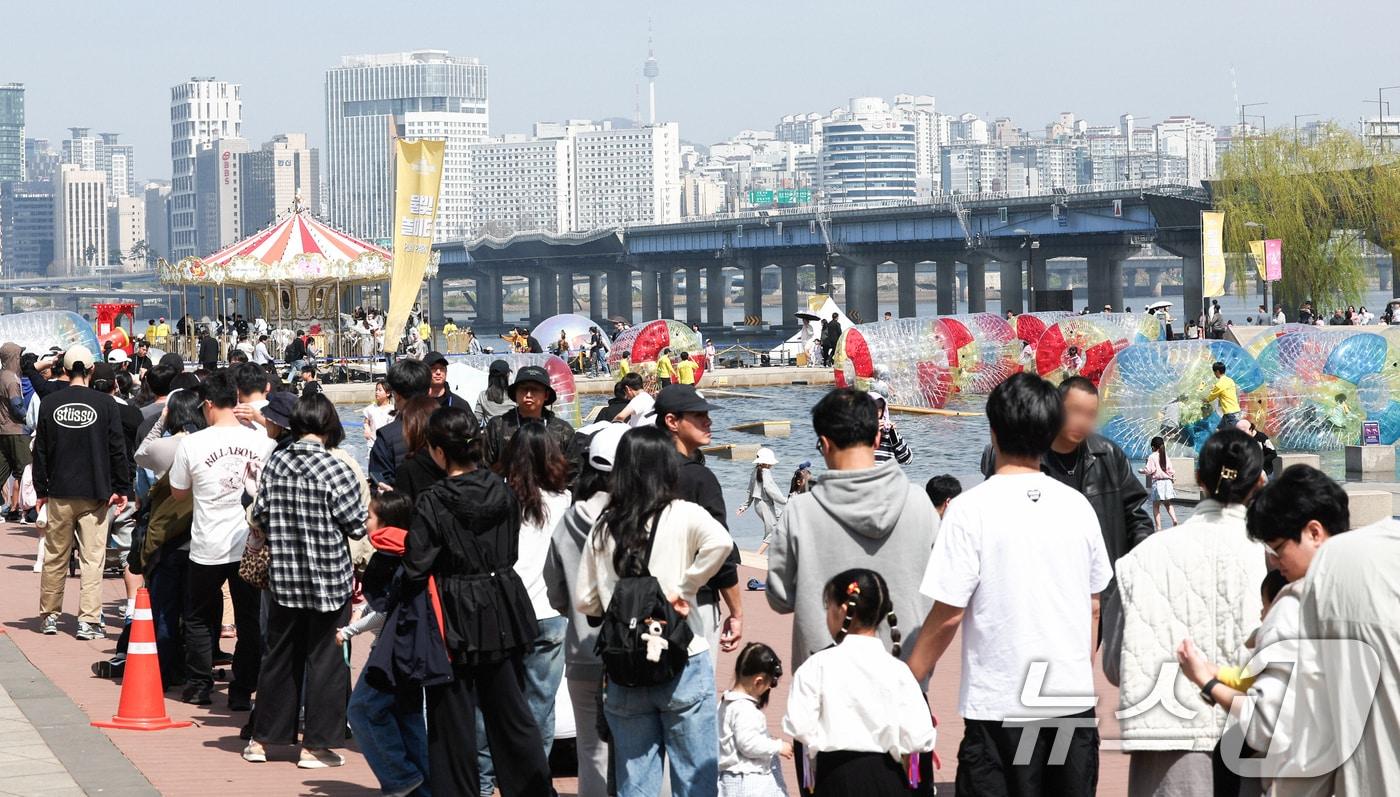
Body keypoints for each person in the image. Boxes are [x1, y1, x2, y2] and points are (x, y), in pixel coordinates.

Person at [909, 372, 1110, 796]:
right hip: (1068, 705)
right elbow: (1094, 605)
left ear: (993, 430)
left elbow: (948, 614)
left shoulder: (968, 510)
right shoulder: (1077, 507)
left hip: (999, 707)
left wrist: (910, 679)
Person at [1103, 429, 1267, 796]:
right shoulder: (1275, 558)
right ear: (1260, 480)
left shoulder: (1140, 559)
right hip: (1253, 736)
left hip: (1168, 744)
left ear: (1198, 478)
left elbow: (1115, 665)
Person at [576, 425, 734, 797]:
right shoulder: (684, 513)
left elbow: (586, 601)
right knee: (695, 778)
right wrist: (686, 587)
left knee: (636, 782)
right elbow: (722, 543)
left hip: (624, 667)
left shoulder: (604, 525)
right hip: (682, 656)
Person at [404, 406, 552, 796]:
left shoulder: (433, 500)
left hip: (453, 610)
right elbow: (513, 551)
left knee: (451, 721)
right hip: (503, 602)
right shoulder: (502, 489)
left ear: (438, 451)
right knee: (512, 714)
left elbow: (416, 567)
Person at [1174, 466, 1348, 794]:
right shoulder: (1373, 582)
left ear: (1314, 532)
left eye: (1278, 547)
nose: (1274, 560)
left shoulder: (1291, 607)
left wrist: (1207, 681)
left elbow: (1264, 724)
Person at [767, 387, 938, 679]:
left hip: (824, 679)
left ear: (824, 443)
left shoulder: (800, 510)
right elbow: (942, 592)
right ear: (876, 438)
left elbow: (780, 597)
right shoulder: (920, 503)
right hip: (904, 675)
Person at [243, 395, 366, 768]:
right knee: (326, 662)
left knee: (278, 659)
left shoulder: (276, 462)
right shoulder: (337, 467)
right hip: (329, 579)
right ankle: (315, 747)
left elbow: (259, 514)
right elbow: (355, 524)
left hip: (283, 576)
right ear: (328, 424)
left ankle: (262, 740)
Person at [169, 369, 276, 708]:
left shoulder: (193, 443)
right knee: (248, 618)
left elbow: (179, 493)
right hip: (250, 543)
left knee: (200, 616)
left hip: (207, 544)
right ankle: (243, 689)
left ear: (210, 404)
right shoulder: (262, 440)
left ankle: (200, 685)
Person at [784, 569, 935, 796]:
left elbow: (800, 727)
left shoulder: (817, 666)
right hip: (890, 780)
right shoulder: (899, 672)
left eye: (829, 607)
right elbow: (918, 739)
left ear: (843, 609)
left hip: (835, 779)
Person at [979, 375, 1152, 572]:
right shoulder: (1025, 456)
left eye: (1090, 415)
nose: (1082, 421)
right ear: (1055, 409)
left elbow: (1136, 515)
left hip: (1105, 584)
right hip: (1045, 577)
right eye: (1075, 411)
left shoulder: (1109, 454)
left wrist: (1138, 564)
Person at [543, 423, 627, 797]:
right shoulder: (639, 519)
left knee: (591, 751)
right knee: (636, 748)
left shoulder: (569, 519)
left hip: (582, 652)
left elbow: (555, 591)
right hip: (633, 654)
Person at [32, 345, 132, 639]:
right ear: (90, 371)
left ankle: (49, 615)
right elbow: (117, 449)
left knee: (55, 556)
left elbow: (41, 450)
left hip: (60, 490)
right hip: (96, 491)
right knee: (93, 559)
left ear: (63, 369)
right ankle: (88, 621)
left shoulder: (51, 402)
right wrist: (122, 487)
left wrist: (41, 488)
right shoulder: (106, 404)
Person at [501, 422, 573, 781]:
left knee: (505, 700)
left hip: (508, 611)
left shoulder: (499, 497)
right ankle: (534, 777)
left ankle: (503, 770)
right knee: (541, 704)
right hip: (551, 611)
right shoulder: (565, 501)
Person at [654, 384, 745, 657]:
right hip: (695, 598)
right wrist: (737, 612)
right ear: (672, 421)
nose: (709, 421)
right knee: (695, 684)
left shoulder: (640, 471)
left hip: (645, 596)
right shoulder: (699, 478)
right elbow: (719, 551)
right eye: (698, 415)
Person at [719, 642, 791, 797]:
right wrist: (778, 746)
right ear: (758, 681)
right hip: (749, 781)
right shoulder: (745, 710)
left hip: (731, 780)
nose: (770, 688)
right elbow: (748, 744)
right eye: (771, 683)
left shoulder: (725, 703)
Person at [482, 365, 575, 473]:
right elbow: (484, 468)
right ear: (515, 393)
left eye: (535, 389)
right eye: (523, 389)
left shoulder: (563, 430)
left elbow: (572, 472)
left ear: (546, 395)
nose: (528, 395)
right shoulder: (498, 426)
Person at [368, 358, 431, 488]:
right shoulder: (449, 424)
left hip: (402, 503)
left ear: (396, 395)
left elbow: (379, 483)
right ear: (429, 391)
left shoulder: (386, 436)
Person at [0, 343, 32, 523]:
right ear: (13, 358)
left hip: (2, 431)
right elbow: (17, 406)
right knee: (26, 471)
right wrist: (30, 421)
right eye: (19, 356)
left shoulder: (1, 376)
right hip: (16, 430)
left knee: (2, 470)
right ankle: (27, 512)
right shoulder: (12, 380)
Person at [739, 448, 786, 557]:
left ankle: (782, 550)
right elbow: (771, 491)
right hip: (765, 505)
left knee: (783, 519)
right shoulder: (766, 473)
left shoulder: (755, 471)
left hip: (759, 505)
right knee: (772, 531)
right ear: (768, 462)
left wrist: (745, 506)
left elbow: (750, 490)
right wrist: (786, 501)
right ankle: (758, 554)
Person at [1140, 435, 1180, 531]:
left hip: (1158, 483)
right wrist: (1172, 477)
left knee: (1156, 505)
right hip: (1167, 482)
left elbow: (1150, 470)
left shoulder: (1152, 456)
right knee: (1168, 504)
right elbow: (1170, 470)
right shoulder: (1165, 456)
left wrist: (1141, 471)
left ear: (1153, 447)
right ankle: (1174, 519)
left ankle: (1158, 527)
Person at [868, 392, 912, 465]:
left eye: (879, 410)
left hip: (886, 475)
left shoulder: (889, 434)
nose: (876, 413)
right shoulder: (855, 433)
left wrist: (892, 433)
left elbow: (907, 460)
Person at [474, 359, 515, 423]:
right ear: (507, 375)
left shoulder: (483, 395)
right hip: (512, 432)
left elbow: (476, 420)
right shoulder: (514, 395)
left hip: (491, 431)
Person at [1207, 360, 1241, 429]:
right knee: (1219, 429)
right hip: (1234, 411)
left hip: (1230, 413)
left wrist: (1203, 399)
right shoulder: (1230, 380)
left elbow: (1210, 398)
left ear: (1217, 371)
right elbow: (1225, 392)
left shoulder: (1219, 384)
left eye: (1214, 372)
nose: (1214, 374)